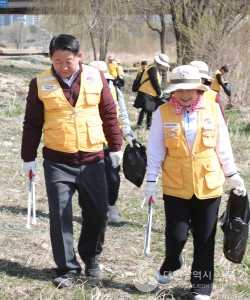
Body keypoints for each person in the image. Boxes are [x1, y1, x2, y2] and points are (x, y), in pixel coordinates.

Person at [21, 34, 123, 288]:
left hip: (93, 159)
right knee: (60, 215)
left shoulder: (96, 77)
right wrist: (28, 157)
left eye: (69, 60)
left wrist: (115, 146)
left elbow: (109, 112)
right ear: (50, 59)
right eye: (58, 61)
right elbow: (32, 122)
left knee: (98, 212)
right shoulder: (39, 83)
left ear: (80, 57)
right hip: (57, 160)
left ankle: (91, 256)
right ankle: (67, 267)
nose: (64, 66)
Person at [144, 65, 246, 300]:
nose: (186, 94)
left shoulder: (212, 109)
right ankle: (172, 260)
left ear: (199, 88)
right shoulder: (163, 113)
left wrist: (232, 176)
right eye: (180, 90)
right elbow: (156, 151)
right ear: (173, 91)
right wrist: (151, 181)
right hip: (175, 185)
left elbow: (223, 146)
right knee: (177, 235)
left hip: (208, 184)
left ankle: (201, 287)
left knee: (205, 237)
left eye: (190, 89)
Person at [89, 60, 135, 223]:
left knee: (113, 178)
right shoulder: (80, 91)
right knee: (90, 179)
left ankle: (111, 205)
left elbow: (122, 114)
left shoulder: (114, 89)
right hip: (89, 142)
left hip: (110, 143)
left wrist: (128, 135)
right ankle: (94, 209)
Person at [133, 54, 170, 130]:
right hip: (146, 92)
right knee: (145, 109)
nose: (163, 67)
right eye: (163, 65)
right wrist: (159, 92)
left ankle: (148, 126)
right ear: (159, 64)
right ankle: (140, 125)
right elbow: (154, 82)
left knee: (149, 110)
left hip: (149, 92)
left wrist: (159, 92)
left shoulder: (153, 68)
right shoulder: (153, 69)